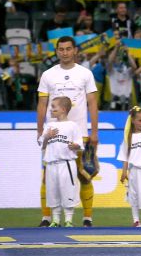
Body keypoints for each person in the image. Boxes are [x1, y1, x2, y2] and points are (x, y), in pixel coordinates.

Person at [36, 36, 99, 227]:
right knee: (48, 177)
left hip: (80, 134)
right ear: (57, 51)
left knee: (84, 175)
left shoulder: (85, 73)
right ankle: (47, 218)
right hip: (54, 135)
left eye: (68, 49)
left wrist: (94, 132)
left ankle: (87, 218)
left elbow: (92, 103)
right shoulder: (48, 75)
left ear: (75, 50)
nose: (65, 53)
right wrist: (40, 132)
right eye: (61, 49)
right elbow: (42, 104)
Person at [39, 96, 82, 228]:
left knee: (68, 190)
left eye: (53, 107)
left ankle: (68, 220)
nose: (51, 109)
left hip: (66, 163)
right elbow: (42, 145)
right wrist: (47, 137)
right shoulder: (49, 126)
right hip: (51, 164)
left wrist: (75, 146)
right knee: (53, 192)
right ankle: (55, 220)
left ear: (63, 109)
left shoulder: (73, 126)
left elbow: (79, 144)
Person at [118, 106, 141, 227]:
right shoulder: (128, 137)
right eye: (140, 120)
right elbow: (125, 155)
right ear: (133, 120)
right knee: (133, 196)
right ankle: (136, 220)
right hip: (133, 171)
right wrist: (124, 171)